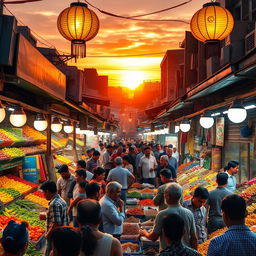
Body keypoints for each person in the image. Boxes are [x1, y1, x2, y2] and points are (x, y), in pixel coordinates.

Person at [140, 183, 197, 251]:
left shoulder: (162, 214)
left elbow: (153, 237)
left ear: (167, 196)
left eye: (164, 194)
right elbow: (194, 238)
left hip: (167, 252)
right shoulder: (189, 213)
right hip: (185, 252)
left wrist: (144, 233)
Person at [40, 181, 68, 256]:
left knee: (50, 252)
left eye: (44, 193)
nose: (43, 195)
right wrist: (47, 215)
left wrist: (48, 234)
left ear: (48, 191)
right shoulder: (61, 200)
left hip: (55, 235)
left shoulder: (54, 204)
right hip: (62, 233)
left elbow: (56, 223)